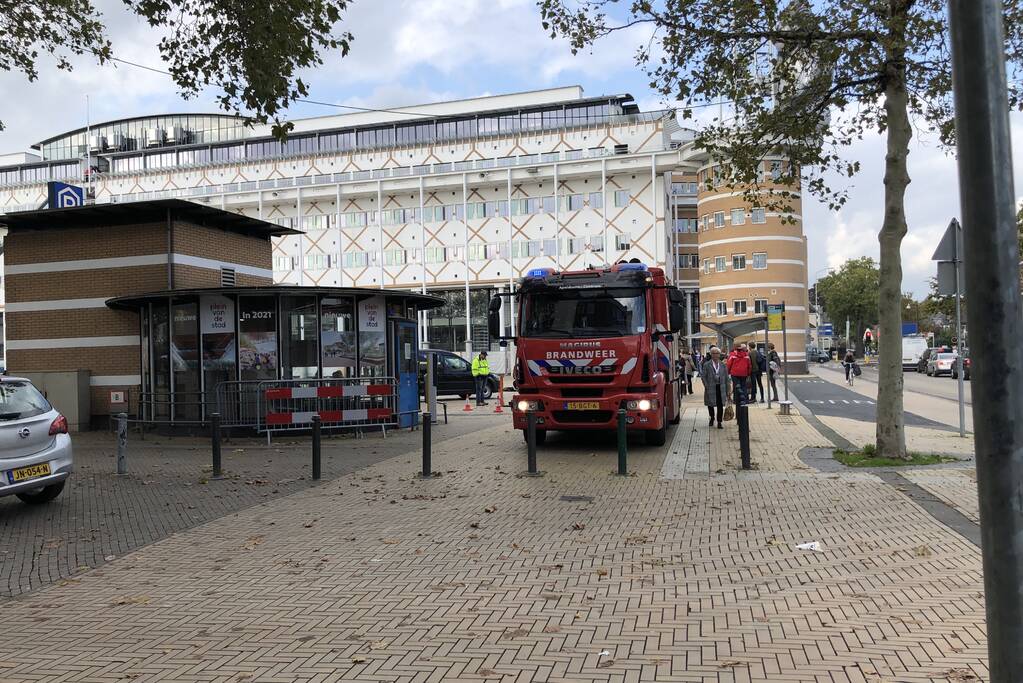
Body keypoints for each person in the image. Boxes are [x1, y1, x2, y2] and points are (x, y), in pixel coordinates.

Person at [701, 346, 729, 429]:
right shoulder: (707, 364)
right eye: (713, 353)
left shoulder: (723, 365)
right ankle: (712, 418)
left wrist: (728, 388)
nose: (715, 355)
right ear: (711, 354)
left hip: (721, 387)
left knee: (720, 405)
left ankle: (719, 421)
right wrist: (706, 385)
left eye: (717, 353)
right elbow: (703, 376)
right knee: (710, 404)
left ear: (719, 354)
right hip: (710, 387)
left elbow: (727, 377)